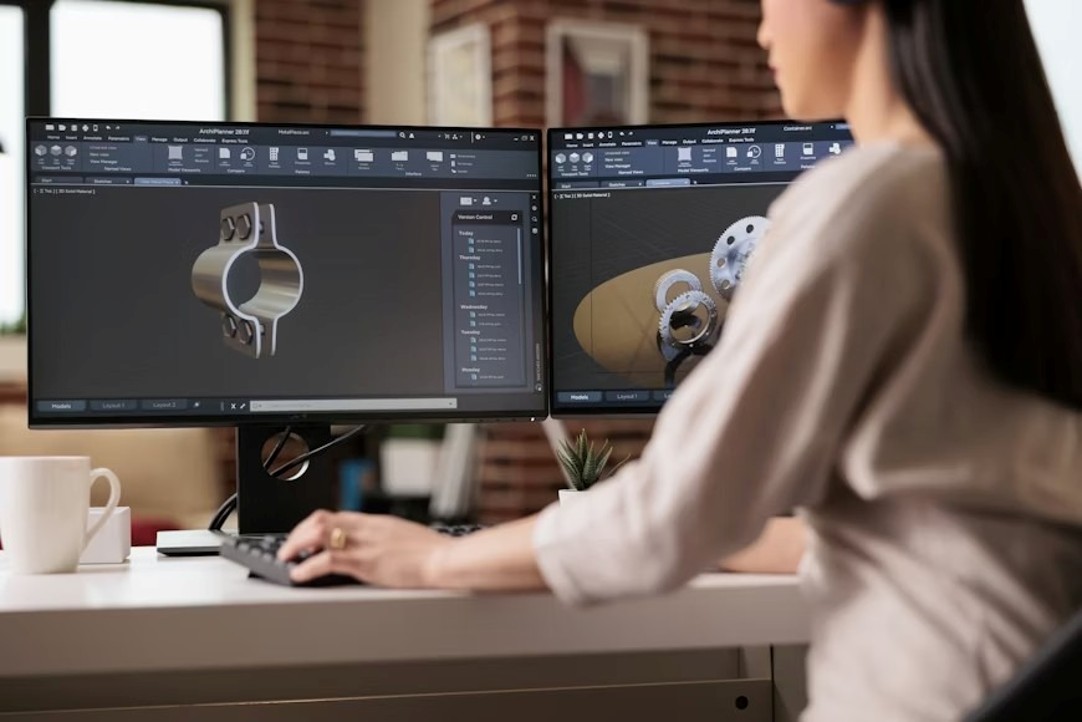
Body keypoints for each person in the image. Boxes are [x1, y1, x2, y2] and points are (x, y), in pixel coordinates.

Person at [279, 0, 1082, 718]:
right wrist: (725, 517)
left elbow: (667, 519)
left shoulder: (867, 202)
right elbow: (937, 510)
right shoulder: (1025, 207)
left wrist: (434, 558)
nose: (763, 27)